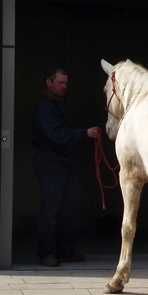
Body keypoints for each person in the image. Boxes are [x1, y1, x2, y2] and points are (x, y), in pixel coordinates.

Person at [31, 67, 100, 267]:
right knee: (51, 210)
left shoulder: (54, 104)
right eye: (60, 83)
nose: (64, 87)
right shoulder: (45, 107)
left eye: (66, 83)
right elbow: (56, 134)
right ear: (48, 82)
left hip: (62, 164)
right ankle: (46, 254)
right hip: (50, 164)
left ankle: (65, 252)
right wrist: (84, 133)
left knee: (66, 210)